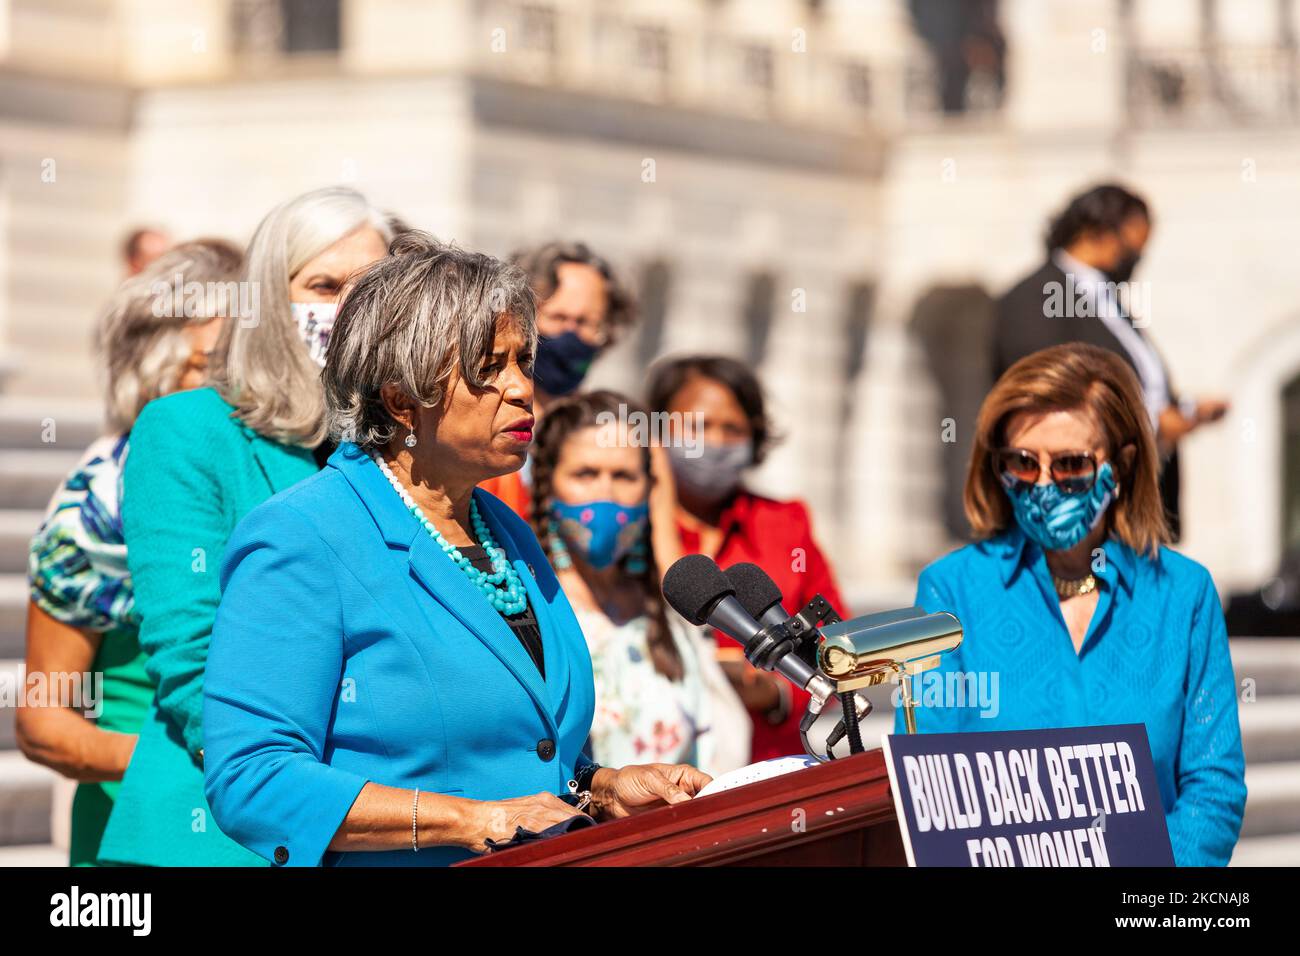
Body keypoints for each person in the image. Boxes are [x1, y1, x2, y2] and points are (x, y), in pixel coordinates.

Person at [202, 234, 710, 867]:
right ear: (400, 399)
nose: (522, 388)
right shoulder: (302, 537)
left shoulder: (505, 530)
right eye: (488, 369)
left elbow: (525, 751)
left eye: (525, 361)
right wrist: (469, 821)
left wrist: (599, 787)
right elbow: (254, 779)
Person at [97, 186, 392, 866]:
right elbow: (190, 651)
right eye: (324, 284)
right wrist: (316, 795)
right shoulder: (188, 430)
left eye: (372, 287)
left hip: (387, 825)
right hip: (223, 834)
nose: (350, 309)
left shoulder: (400, 446)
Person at [898, 342, 1246, 866]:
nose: (1042, 485)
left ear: (1122, 464)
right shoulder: (952, 591)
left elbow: (1212, 787)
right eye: (1021, 462)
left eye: (1070, 465)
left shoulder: (1183, 594)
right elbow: (929, 788)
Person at [19, 239, 242, 866]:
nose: (240, 386)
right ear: (159, 375)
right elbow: (43, 721)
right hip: (143, 844)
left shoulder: (271, 477)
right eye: (215, 366)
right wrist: (187, 766)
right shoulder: (91, 514)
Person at [528, 389, 750, 775]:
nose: (606, 494)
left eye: (625, 476)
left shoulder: (666, 616)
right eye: (585, 474)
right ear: (547, 487)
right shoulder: (530, 609)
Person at [992, 183, 1228, 538]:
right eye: (1132, 246)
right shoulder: (1034, 297)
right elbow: (1044, 402)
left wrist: (1186, 409)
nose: (1136, 257)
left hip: (1132, 514)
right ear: (1097, 231)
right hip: (1076, 515)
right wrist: (1155, 426)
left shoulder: (1104, 298)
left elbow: (1140, 385)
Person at [646, 354, 845, 763]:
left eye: (732, 429)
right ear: (658, 430)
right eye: (698, 426)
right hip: (656, 767)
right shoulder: (629, 527)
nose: (715, 440)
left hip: (768, 767)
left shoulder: (786, 525)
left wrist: (776, 692)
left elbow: (839, 643)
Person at [478, 241, 637, 519]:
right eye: (558, 317)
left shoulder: (617, 431)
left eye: (586, 322)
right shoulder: (485, 422)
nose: (570, 334)